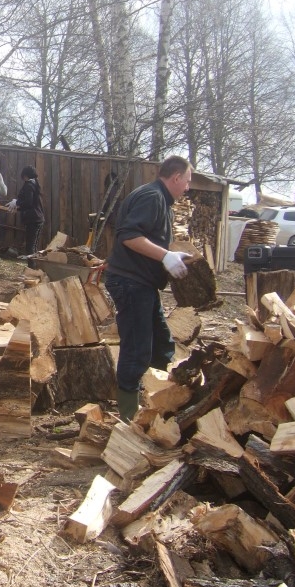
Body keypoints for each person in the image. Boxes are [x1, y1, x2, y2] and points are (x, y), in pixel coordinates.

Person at [104, 156, 194, 422]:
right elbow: (129, 236)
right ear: (176, 177)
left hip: (141, 283)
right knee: (137, 349)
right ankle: (129, 416)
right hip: (131, 283)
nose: (187, 187)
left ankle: (156, 400)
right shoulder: (152, 197)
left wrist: (171, 255)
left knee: (161, 345)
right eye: (187, 181)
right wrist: (165, 256)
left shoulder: (160, 199)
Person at [9, 166, 46, 256]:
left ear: (25, 175)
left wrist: (16, 202)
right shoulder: (35, 184)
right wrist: (17, 208)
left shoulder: (29, 185)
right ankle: (34, 268)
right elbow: (31, 204)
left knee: (30, 247)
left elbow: (28, 202)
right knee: (34, 245)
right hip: (38, 218)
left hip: (33, 219)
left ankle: (32, 268)